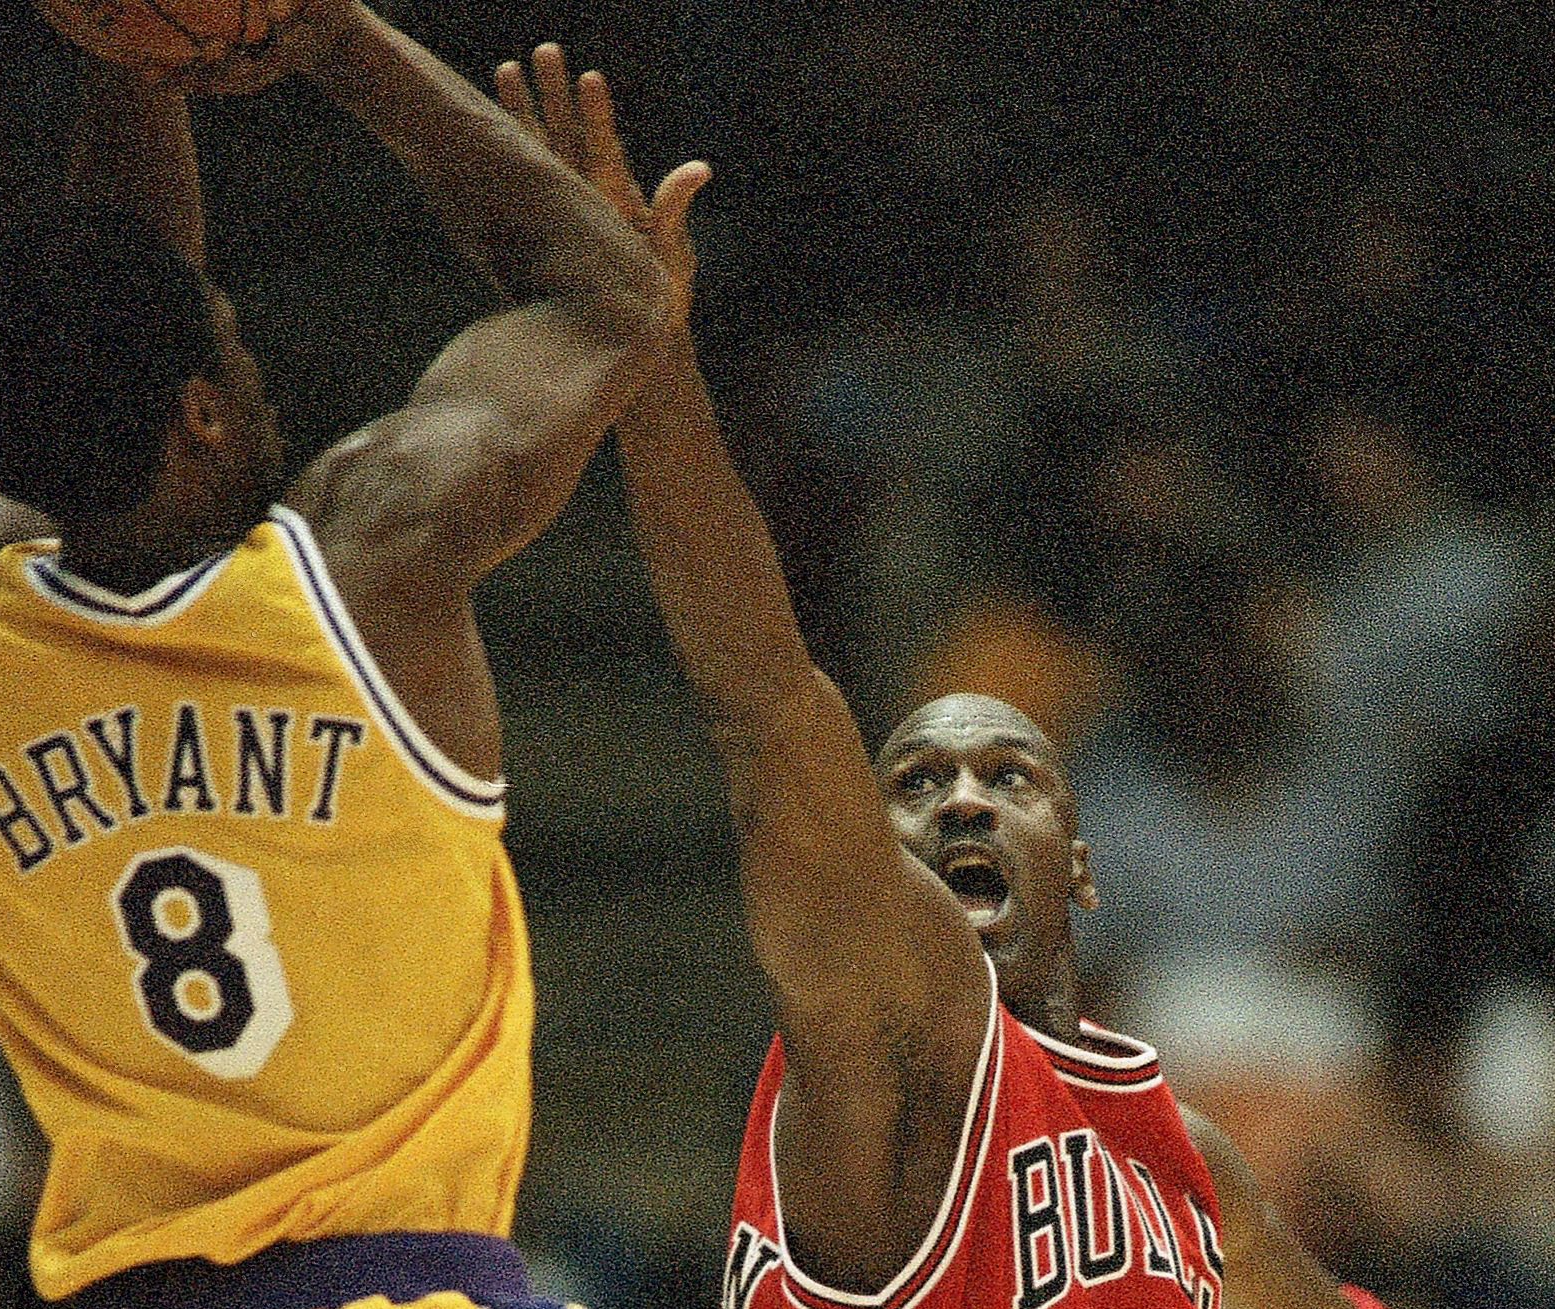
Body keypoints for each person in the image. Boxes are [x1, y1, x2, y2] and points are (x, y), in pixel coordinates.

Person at [492, 57, 1389, 1309]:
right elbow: (762, 696)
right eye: (913, 784)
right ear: (874, 851)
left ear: (1080, 859)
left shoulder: (1192, 1171)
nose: (962, 799)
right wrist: (653, 361)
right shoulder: (879, 1056)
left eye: (1008, 772)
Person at [0, 8, 704, 1306]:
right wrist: (329, 33)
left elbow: (109, 315)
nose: (258, 370)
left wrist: (128, 51)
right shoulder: (371, 565)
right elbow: (612, 296)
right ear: (202, 411)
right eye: (233, 339)